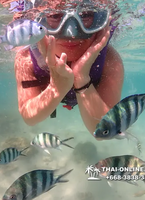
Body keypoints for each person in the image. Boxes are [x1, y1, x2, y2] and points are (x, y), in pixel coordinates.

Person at [12, 0, 124, 140]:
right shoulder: (26, 58)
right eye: (54, 16)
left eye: (85, 15)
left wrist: (81, 78)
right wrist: (56, 88)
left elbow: (104, 133)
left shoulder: (109, 59)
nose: (71, 32)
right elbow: (29, 117)